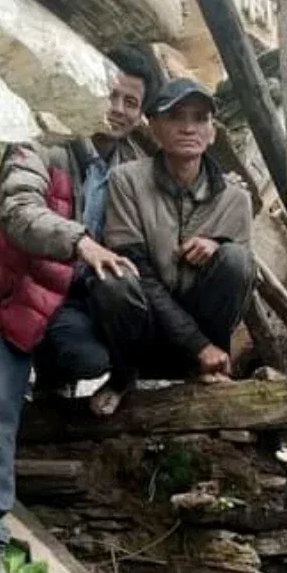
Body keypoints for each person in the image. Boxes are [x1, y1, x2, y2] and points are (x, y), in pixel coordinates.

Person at [0, 47, 158, 573]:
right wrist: (81, 242)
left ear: (141, 114)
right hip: (4, 307)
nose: (118, 109)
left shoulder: (131, 172)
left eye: (131, 102)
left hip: (60, 312)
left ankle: (54, 381)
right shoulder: (39, 139)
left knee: (94, 356)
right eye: (111, 95)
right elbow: (19, 212)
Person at [40, 78, 255, 416]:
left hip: (199, 319)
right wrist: (198, 344)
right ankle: (124, 376)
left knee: (236, 260)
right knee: (114, 279)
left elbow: (241, 285)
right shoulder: (127, 180)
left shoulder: (235, 198)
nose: (188, 128)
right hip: (143, 324)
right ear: (154, 126)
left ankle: (210, 369)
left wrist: (218, 246)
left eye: (200, 118)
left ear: (212, 132)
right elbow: (137, 269)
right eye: (176, 117)